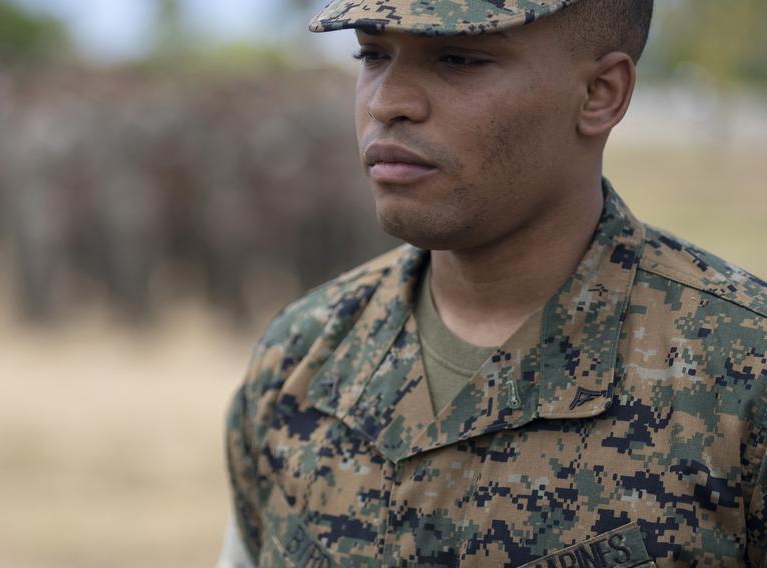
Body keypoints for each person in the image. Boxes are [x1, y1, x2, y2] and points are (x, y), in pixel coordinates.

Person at [223, 0, 767, 565]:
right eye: (373, 54)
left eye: (458, 60)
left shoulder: (739, 378)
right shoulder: (302, 358)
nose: (387, 102)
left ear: (600, 93)